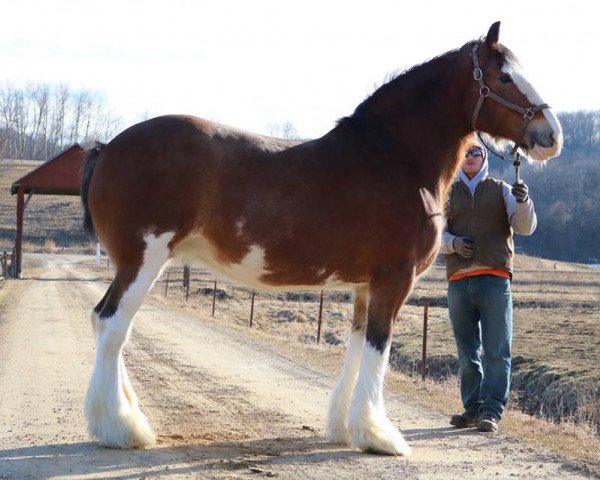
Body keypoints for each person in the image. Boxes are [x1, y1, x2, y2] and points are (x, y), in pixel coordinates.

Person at [441, 141, 535, 433]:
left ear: (484, 158)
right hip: (458, 282)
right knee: (467, 351)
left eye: (476, 152)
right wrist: (453, 243)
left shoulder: (504, 189)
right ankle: (472, 409)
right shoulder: (446, 193)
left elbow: (525, 227)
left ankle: (491, 411)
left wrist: (523, 202)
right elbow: (434, 234)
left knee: (496, 350)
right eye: (466, 152)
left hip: (494, 279)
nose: (470, 157)